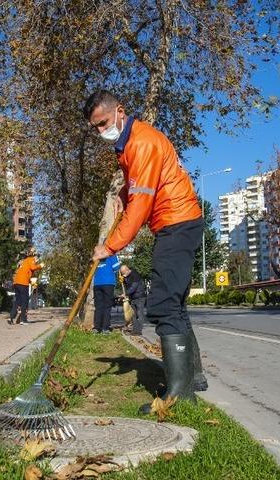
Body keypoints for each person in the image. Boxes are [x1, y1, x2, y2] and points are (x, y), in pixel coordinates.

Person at [85, 89, 208, 405]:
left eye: (103, 123)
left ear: (120, 111)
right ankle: (192, 377)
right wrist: (123, 194)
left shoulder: (141, 142)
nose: (101, 131)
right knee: (175, 304)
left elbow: (141, 204)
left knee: (163, 304)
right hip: (177, 222)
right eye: (95, 128)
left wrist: (110, 246)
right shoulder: (128, 145)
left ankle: (179, 396)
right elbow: (138, 188)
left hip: (177, 222)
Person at [10, 247, 44, 325]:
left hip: (16, 282)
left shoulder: (24, 261)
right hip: (23, 283)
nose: (37, 260)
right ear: (34, 255)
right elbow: (33, 267)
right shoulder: (31, 259)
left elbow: (26, 273)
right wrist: (40, 266)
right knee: (25, 301)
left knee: (18, 300)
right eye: (37, 258)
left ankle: (11, 317)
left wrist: (32, 282)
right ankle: (23, 320)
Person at [92, 254, 121, 333]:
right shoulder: (112, 255)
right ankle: (105, 328)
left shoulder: (97, 254)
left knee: (98, 306)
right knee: (107, 306)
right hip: (108, 283)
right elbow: (116, 267)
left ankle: (97, 328)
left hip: (97, 283)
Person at [119, 264, 146, 335]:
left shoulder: (135, 275)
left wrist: (125, 294)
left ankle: (138, 331)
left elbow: (133, 288)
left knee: (140, 314)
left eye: (124, 273)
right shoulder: (126, 276)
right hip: (132, 298)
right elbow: (126, 286)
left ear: (127, 270)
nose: (123, 275)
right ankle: (135, 330)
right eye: (122, 273)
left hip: (140, 297)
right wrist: (122, 281)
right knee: (133, 314)